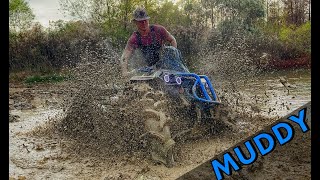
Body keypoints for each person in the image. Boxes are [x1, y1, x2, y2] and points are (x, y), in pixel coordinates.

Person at [120, 6, 188, 77]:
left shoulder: (159, 30)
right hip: (150, 68)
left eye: (145, 20)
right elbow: (124, 56)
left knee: (172, 53)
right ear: (135, 22)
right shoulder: (134, 38)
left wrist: (172, 55)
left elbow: (172, 40)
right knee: (134, 73)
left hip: (165, 63)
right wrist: (124, 71)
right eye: (140, 21)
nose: (144, 23)